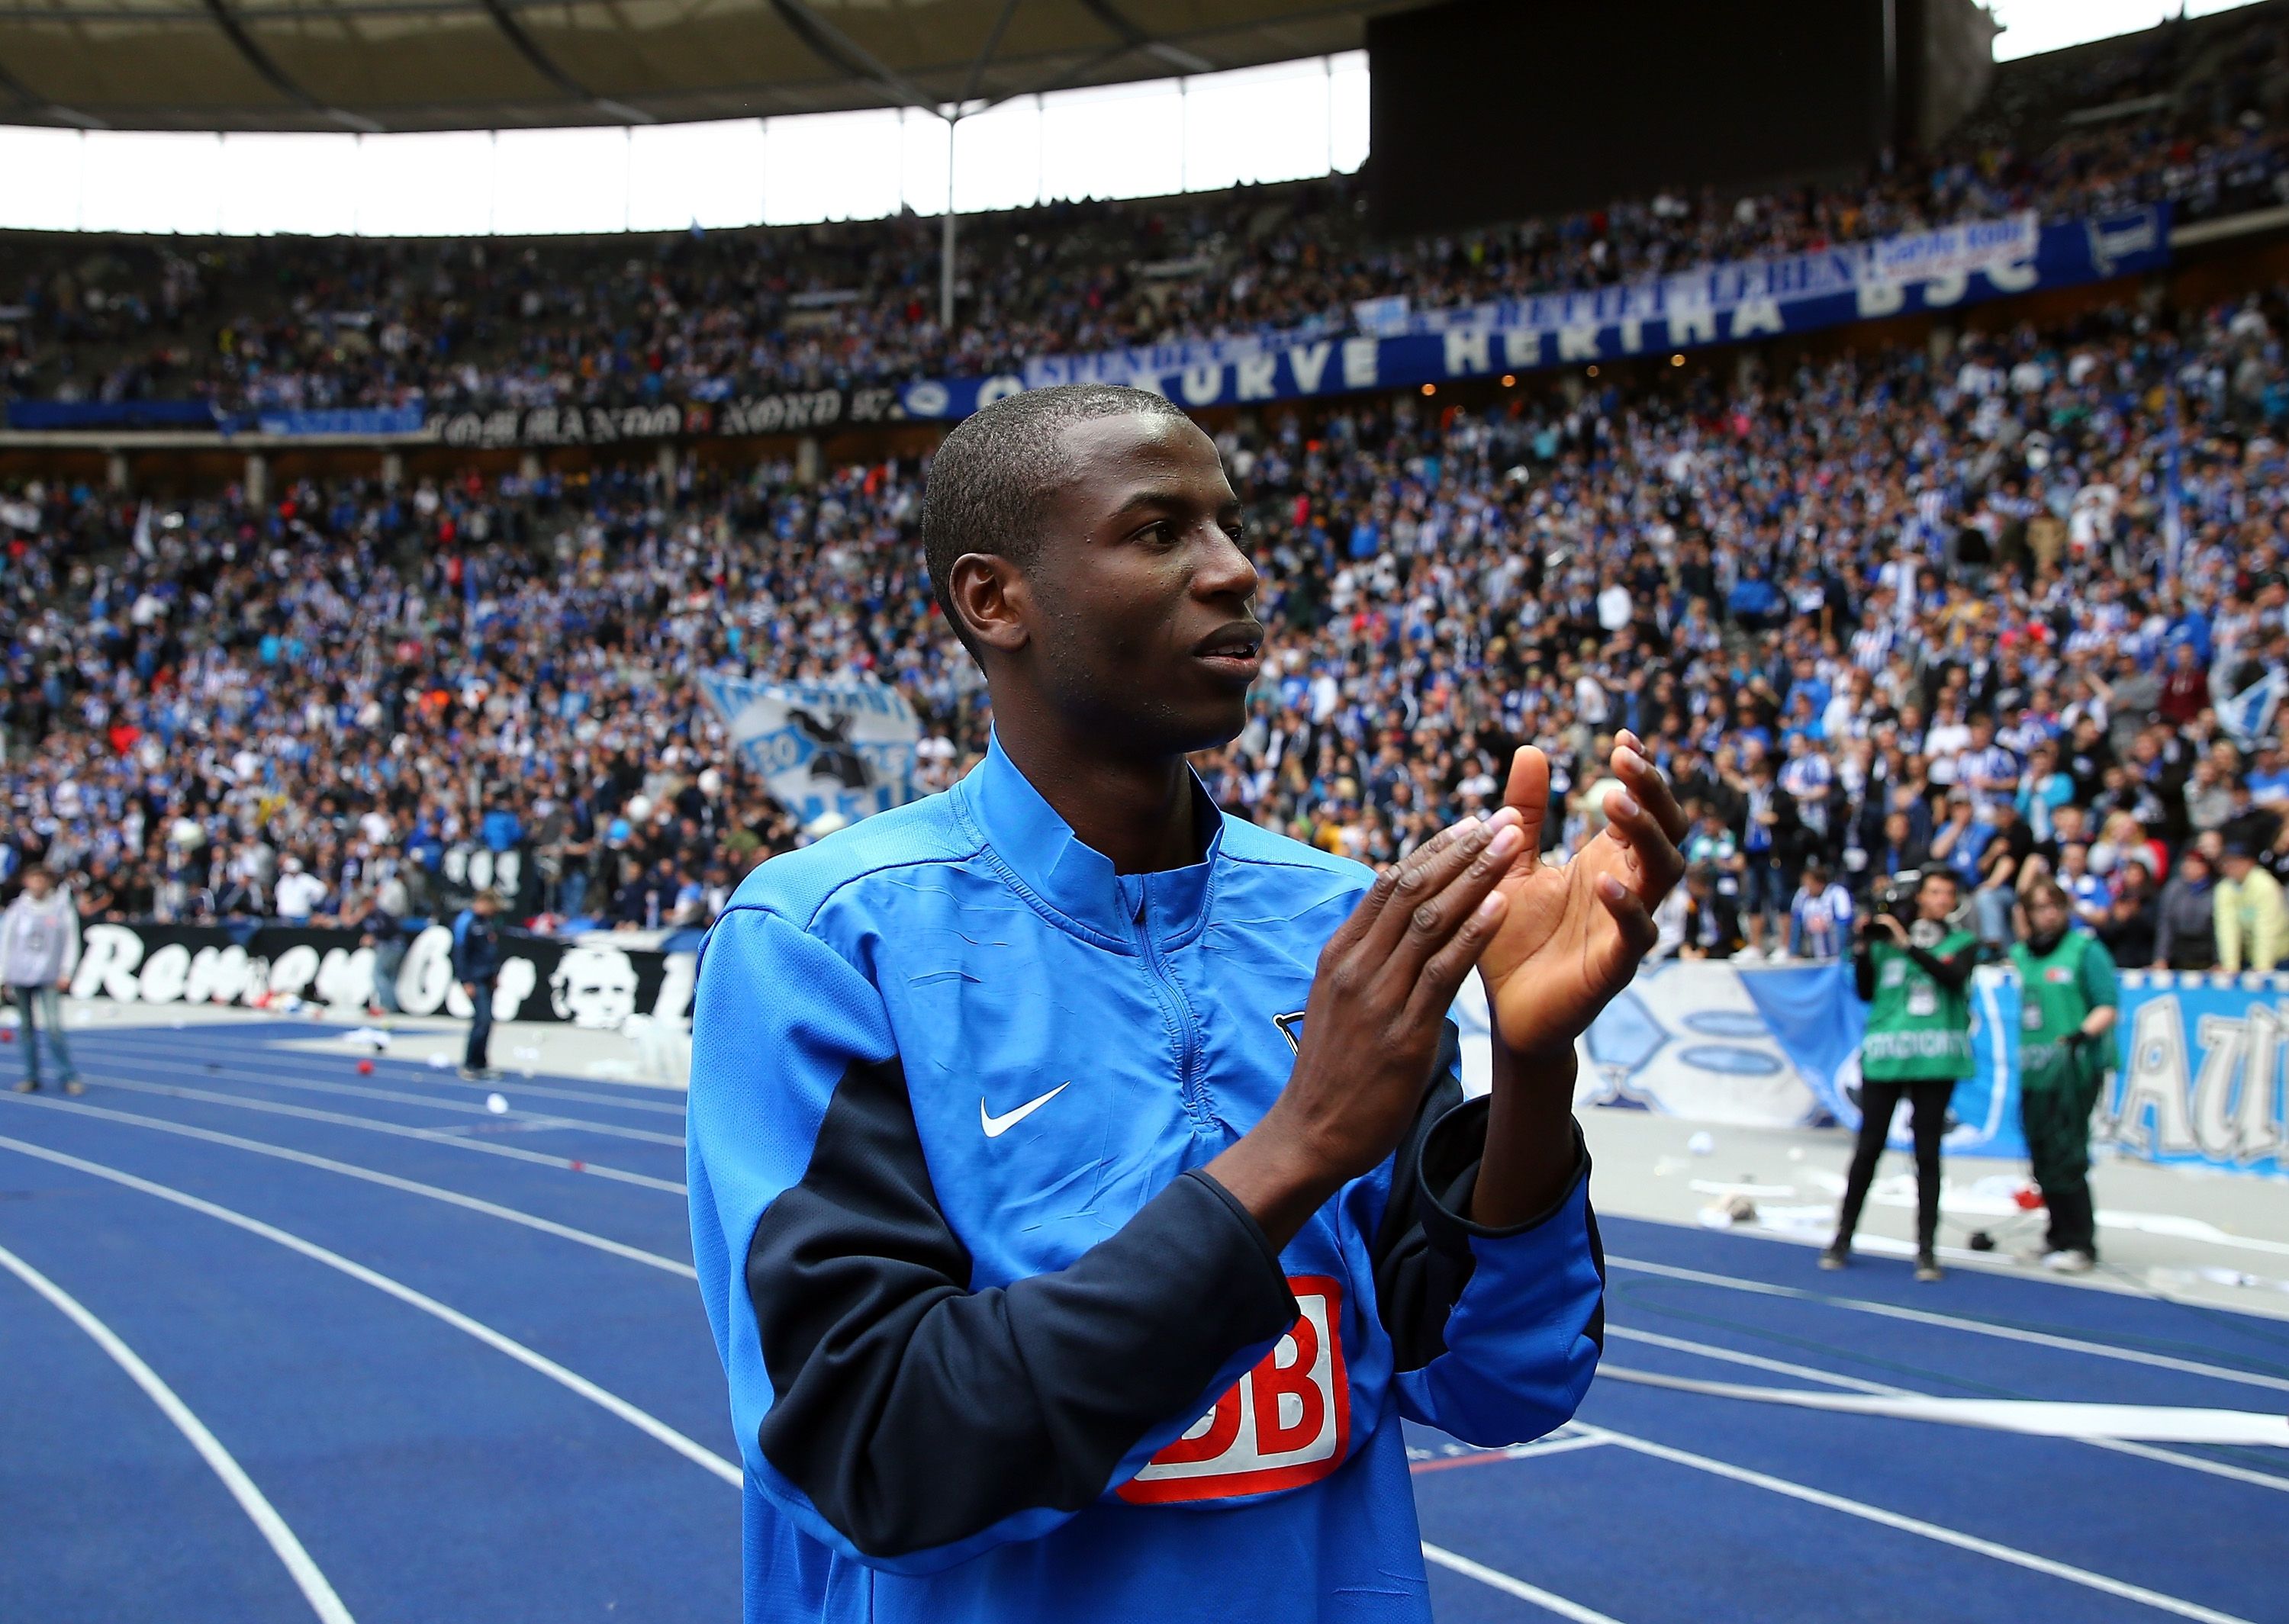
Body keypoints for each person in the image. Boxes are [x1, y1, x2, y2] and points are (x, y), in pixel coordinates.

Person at [686, 385, 1689, 1624]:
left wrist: (1535, 1070)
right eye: (1160, 531)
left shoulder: (1342, 923)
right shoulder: (832, 937)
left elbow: (1498, 1385)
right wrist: (1296, 1149)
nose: (1237, 568)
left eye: (1228, 523)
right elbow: (883, 1447)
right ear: (993, 599)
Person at [1826, 868, 1980, 1281]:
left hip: (1935, 1059)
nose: (1940, 900)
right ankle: (1842, 1236)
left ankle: (1926, 1249)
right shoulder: (1883, 943)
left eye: (1947, 893)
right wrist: (1862, 945)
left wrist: (1907, 944)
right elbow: (1865, 990)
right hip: (1887, 1055)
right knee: (1868, 1147)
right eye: (1933, 892)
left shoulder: (1961, 943)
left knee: (1927, 1153)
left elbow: (1951, 976)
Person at [2008, 879, 2119, 1273]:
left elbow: (2108, 1003)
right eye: (2038, 908)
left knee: (2067, 1151)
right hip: (2035, 1067)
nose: (2048, 915)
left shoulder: (2084, 950)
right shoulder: (2023, 955)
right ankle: (2055, 1233)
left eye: (2054, 906)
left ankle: (2080, 1241)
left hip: (2074, 1067)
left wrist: (2080, 1035)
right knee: (2041, 1154)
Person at [2, 867, 82, 1095]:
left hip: (49, 975)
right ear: (26, 881)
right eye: (33, 878)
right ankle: (31, 1075)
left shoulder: (60, 908)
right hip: (20, 975)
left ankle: (68, 1075)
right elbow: (6, 942)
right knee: (26, 1028)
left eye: (41, 879)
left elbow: (70, 941)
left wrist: (67, 971)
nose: (37, 883)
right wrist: (3, 975)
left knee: (54, 1027)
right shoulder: (18, 909)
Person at [449, 889, 503, 1079]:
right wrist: (465, 980)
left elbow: (491, 951)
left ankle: (481, 1062)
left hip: (487, 978)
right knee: (482, 1020)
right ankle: (470, 1063)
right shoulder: (466, 921)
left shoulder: (487, 922)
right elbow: (460, 953)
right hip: (475, 978)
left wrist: (495, 974)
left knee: (487, 1022)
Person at [2214, 838, 2289, 973]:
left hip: (2280, 957)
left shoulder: (2265, 886)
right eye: (2227, 862)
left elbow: (2267, 927)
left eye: (2236, 862)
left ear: (2250, 862)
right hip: (2249, 957)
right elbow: (2226, 927)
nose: (2230, 866)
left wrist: (2262, 967)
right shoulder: (2224, 888)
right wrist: (2230, 965)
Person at [1786, 858, 1854, 960]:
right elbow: (1796, 925)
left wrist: (1843, 955)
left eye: (1809, 884)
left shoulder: (1837, 894)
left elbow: (1844, 925)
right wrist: (1794, 952)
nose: (1806, 888)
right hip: (1814, 957)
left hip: (1835, 955)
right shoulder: (1802, 896)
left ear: (1820, 884)